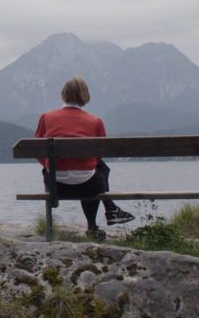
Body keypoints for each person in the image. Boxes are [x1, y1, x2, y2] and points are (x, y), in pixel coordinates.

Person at [34, 76, 134, 241]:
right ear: (85, 95)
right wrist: (83, 164)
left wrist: (48, 165)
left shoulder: (46, 117)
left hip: (55, 185)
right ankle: (97, 222)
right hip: (88, 186)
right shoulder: (95, 121)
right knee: (100, 169)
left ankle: (108, 212)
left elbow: (37, 149)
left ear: (64, 94)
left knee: (96, 169)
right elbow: (100, 153)